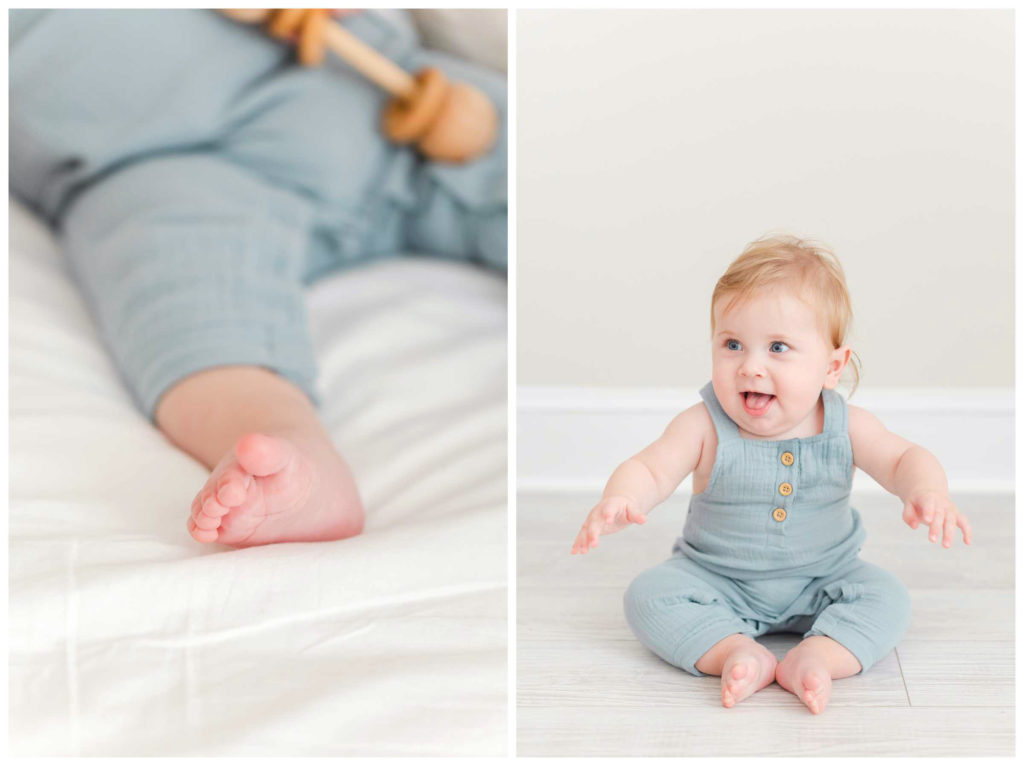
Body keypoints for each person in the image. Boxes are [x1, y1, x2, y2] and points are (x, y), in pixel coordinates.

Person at [9, 9, 507, 547]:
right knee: (185, 303)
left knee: (527, 167)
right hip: (150, 166)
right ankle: (283, 444)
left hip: (379, 101)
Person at [571, 235, 972, 714]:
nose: (751, 367)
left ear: (831, 366)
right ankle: (733, 650)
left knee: (890, 600)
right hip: (716, 578)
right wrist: (622, 497)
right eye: (733, 344)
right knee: (647, 597)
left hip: (826, 578)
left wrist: (927, 490)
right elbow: (650, 468)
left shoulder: (846, 425)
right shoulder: (704, 425)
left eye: (778, 347)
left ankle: (816, 655)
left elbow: (904, 457)